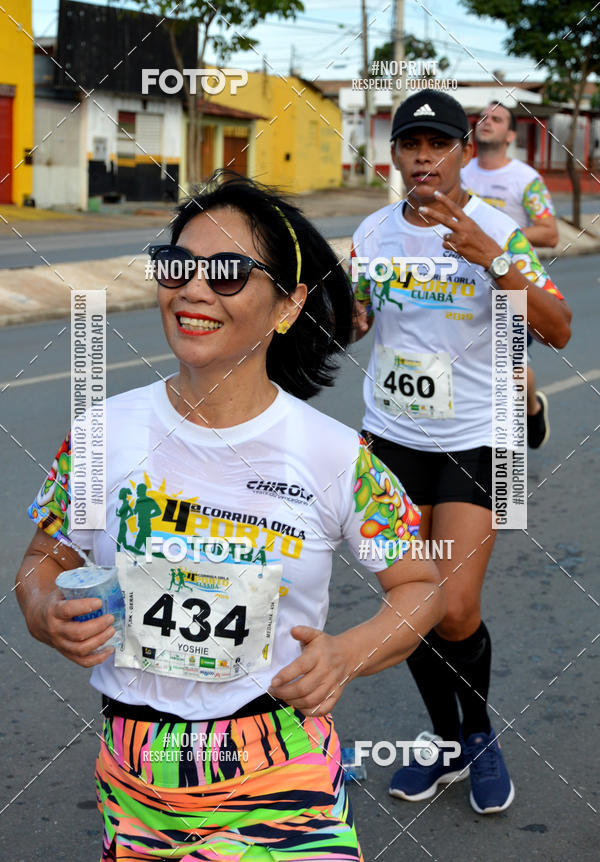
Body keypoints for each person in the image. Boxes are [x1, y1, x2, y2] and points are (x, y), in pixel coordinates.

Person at [17, 172, 445, 862]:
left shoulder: (336, 455)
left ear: (286, 304)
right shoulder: (102, 432)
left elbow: (422, 586)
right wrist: (41, 608)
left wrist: (345, 655)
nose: (192, 288)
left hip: (282, 766)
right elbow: (46, 557)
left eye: (225, 272)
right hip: (136, 775)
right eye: (178, 265)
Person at [352, 89, 571, 814]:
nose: (422, 156)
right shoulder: (375, 232)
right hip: (391, 438)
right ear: (396, 156)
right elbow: (354, 322)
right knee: (413, 603)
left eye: (437, 144)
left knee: (455, 610)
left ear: (461, 154)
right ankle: (448, 744)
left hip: (482, 436)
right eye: (409, 145)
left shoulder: (495, 229)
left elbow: (558, 327)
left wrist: (491, 259)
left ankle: (479, 735)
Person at [461, 102, 560, 449]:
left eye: (497, 118)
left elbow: (549, 233)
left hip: (509, 284)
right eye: (483, 117)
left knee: (513, 373)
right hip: (458, 289)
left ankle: (531, 407)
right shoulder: (459, 173)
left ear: (511, 135)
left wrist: (497, 239)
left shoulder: (526, 179)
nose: (486, 122)